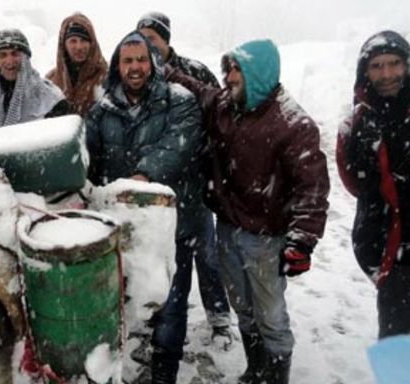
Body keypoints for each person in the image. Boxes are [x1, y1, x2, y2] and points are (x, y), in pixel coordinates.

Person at [169, 39, 330, 384]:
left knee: (270, 316)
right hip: (229, 227)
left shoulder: (293, 124)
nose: (228, 77)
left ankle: (275, 376)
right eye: (227, 69)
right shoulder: (228, 104)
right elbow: (201, 90)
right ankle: (255, 369)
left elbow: (312, 188)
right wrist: (168, 70)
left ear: (259, 71)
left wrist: (301, 241)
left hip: (267, 237)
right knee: (242, 307)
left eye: (236, 69)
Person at [84, 30, 202, 384]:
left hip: (171, 226)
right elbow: (88, 154)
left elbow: (177, 146)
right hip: (123, 227)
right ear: (117, 66)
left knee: (172, 302)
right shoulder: (102, 108)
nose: (135, 67)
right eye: (127, 61)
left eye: (141, 60)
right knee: (128, 299)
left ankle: (164, 371)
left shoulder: (180, 100)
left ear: (153, 62)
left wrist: (141, 176)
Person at [336, 30, 410, 339]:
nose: (387, 74)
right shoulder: (359, 120)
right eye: (377, 66)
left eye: (394, 63)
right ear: (365, 72)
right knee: (398, 344)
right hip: (390, 250)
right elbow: (353, 182)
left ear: (409, 64)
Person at [137, 11, 232, 343]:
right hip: (154, 182)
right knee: (160, 253)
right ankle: (160, 315)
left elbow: (221, 111)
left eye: (154, 38)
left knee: (206, 253)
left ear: (166, 40)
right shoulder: (137, 72)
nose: (148, 45)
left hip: (194, 180)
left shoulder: (193, 71)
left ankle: (219, 315)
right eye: (142, 38)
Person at [46, 13, 108, 117]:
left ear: (91, 44)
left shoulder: (106, 78)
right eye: (73, 41)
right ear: (64, 45)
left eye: (83, 40)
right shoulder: (51, 81)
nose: (79, 47)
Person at [137, 12, 219, 88]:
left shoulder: (195, 71)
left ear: (165, 40)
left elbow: (221, 101)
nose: (144, 43)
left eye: (150, 38)